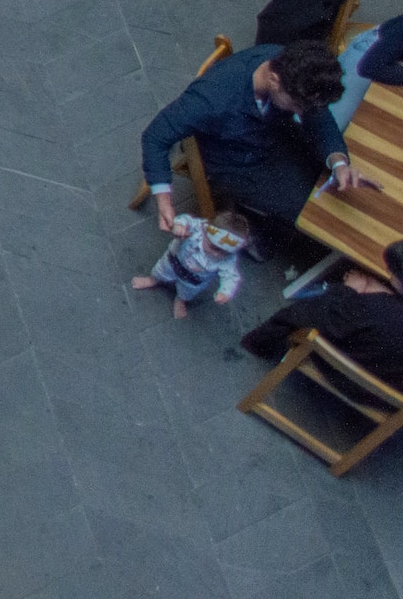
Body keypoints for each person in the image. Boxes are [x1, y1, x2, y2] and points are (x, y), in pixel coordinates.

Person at [141, 39, 362, 237]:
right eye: (297, 106)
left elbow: (316, 114)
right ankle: (264, 234)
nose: (303, 113)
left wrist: (339, 162)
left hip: (273, 137)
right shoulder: (211, 100)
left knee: (328, 180)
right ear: (274, 80)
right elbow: (155, 137)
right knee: (314, 212)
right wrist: (164, 201)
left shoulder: (288, 66)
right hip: (238, 164)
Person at [242, 242, 403, 388]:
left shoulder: (371, 309)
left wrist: (348, 289)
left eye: (391, 272)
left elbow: (321, 313)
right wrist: (387, 295)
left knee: (306, 311)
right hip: (392, 395)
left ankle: (258, 344)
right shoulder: (385, 308)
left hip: (346, 378)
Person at [130, 207, 249, 320]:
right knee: (160, 271)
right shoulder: (198, 228)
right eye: (213, 247)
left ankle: (181, 299)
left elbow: (231, 276)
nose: (217, 254)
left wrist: (225, 292)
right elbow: (186, 220)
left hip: (193, 281)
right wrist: (179, 226)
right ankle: (153, 279)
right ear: (206, 231)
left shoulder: (228, 259)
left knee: (187, 292)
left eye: (225, 252)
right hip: (173, 262)